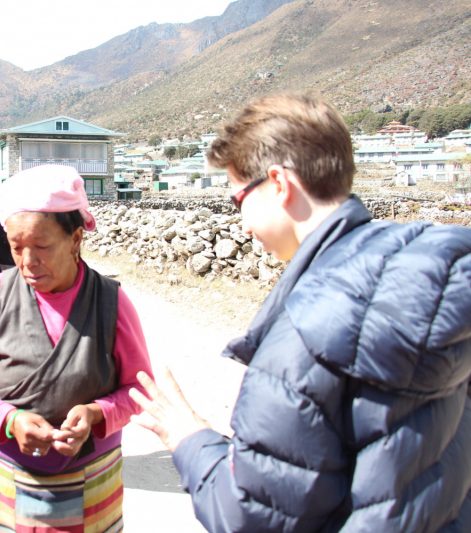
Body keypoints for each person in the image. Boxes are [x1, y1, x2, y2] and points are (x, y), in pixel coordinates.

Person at [130, 93, 471, 532]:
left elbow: (252, 516)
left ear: (280, 184)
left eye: (239, 201)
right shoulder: (437, 283)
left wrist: (189, 439)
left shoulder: (306, 333)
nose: (242, 225)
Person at [0, 165, 154, 533]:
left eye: (41, 246)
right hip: (3, 479)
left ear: (75, 239)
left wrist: (95, 414)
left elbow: (138, 389)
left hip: (90, 482)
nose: (27, 262)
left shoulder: (111, 302)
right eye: (16, 247)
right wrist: (9, 420)